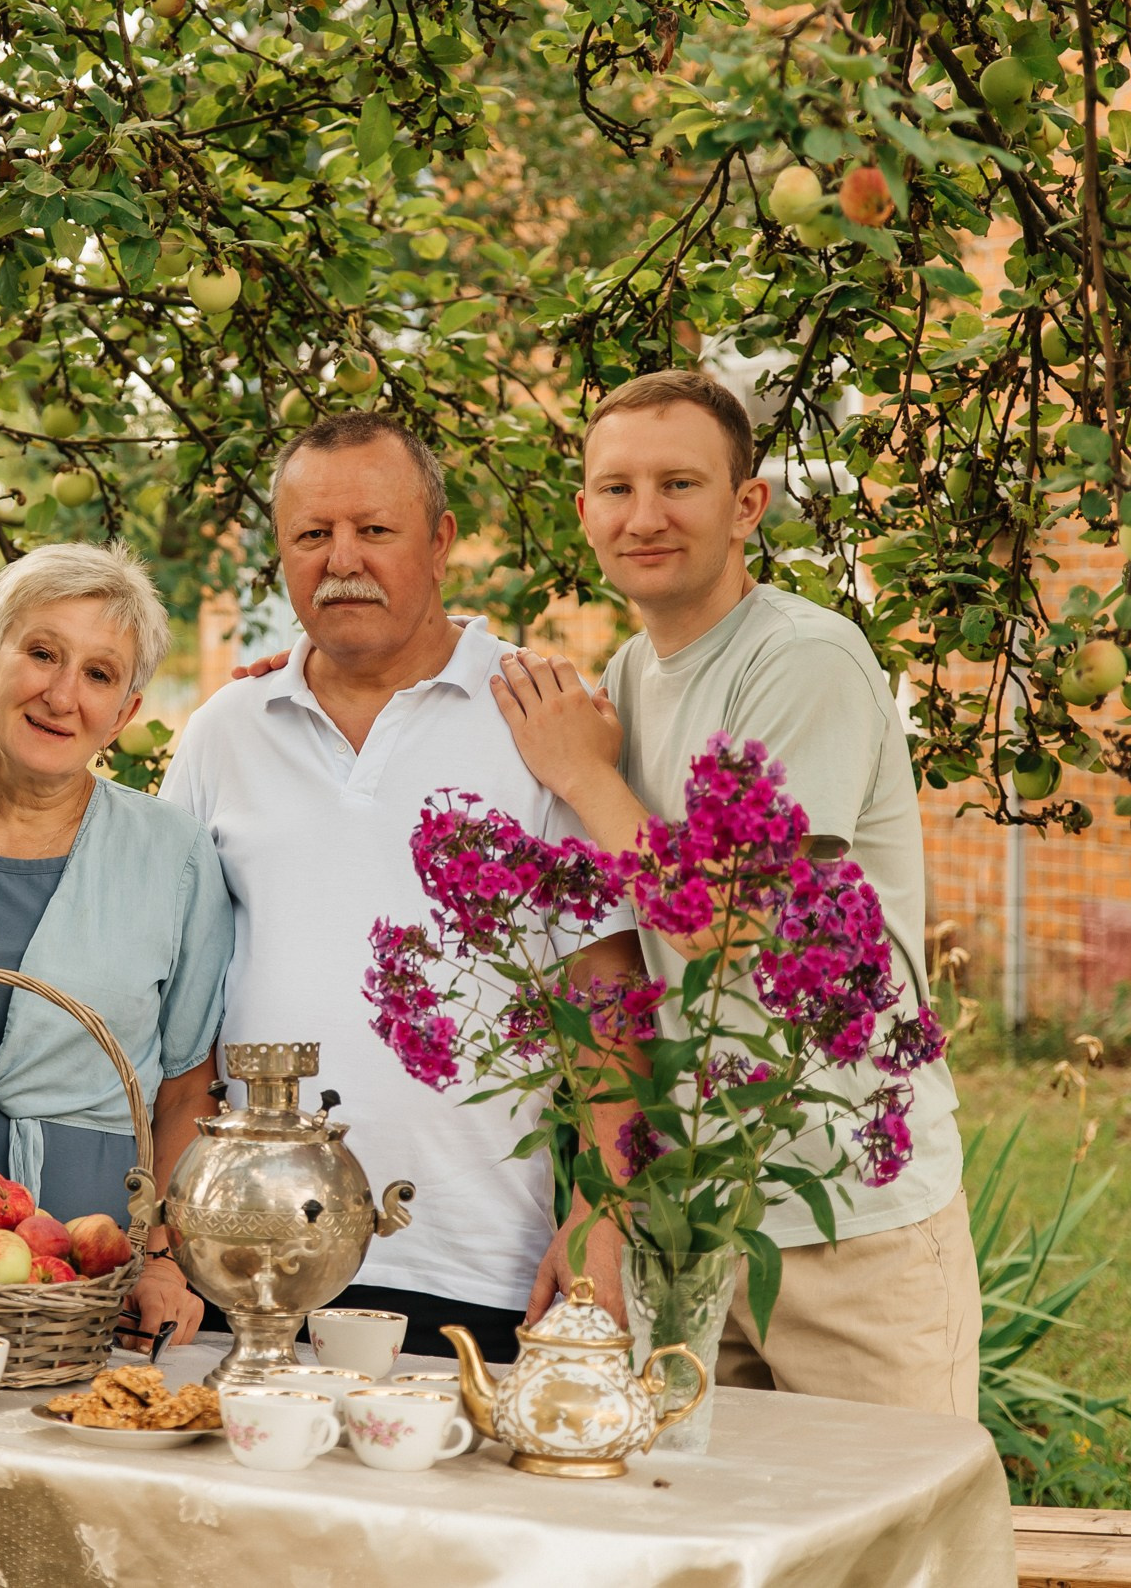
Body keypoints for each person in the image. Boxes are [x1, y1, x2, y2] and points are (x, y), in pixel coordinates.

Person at [489, 367, 974, 1415]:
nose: (644, 515)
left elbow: (724, 925)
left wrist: (583, 771)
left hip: (849, 1216)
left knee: (891, 1553)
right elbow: (613, 945)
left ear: (744, 505)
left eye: (679, 484)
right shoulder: (626, 676)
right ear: (583, 512)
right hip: (697, 1217)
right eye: (615, 489)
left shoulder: (804, 659)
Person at [161, 412, 643, 1363]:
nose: (343, 560)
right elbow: (174, 1000)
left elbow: (610, 994)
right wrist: (165, 1233)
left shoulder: (537, 717)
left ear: (441, 539)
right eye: (312, 535)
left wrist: (603, 1216)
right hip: (246, 1258)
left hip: (470, 1265)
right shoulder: (225, 731)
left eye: (374, 530)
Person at [0, 543, 232, 1349]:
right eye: (41, 653)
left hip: (98, 1265)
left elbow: (186, 1088)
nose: (61, 694)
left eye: (99, 675)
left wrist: (161, 1257)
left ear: (125, 713)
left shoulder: (171, 854)